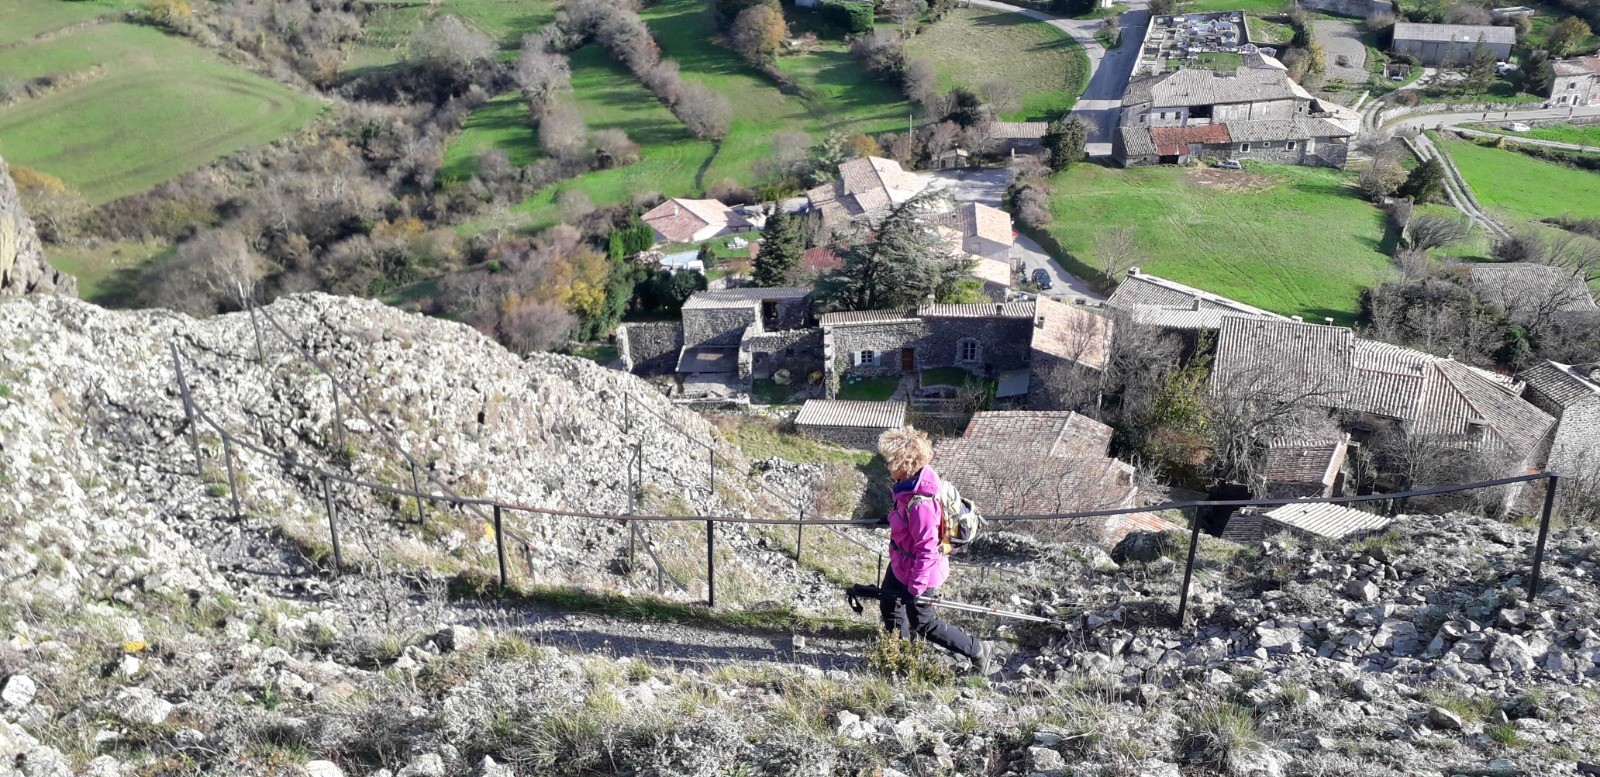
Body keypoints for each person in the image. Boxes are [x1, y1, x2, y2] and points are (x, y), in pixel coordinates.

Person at [875, 427, 997, 673]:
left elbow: (927, 550)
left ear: (904, 464)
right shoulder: (908, 485)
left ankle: (977, 649)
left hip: (920, 572)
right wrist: (890, 518)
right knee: (890, 605)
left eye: (889, 461)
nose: (886, 466)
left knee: (923, 622)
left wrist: (916, 588)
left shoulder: (921, 504)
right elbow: (906, 520)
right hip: (902, 563)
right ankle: (900, 657)